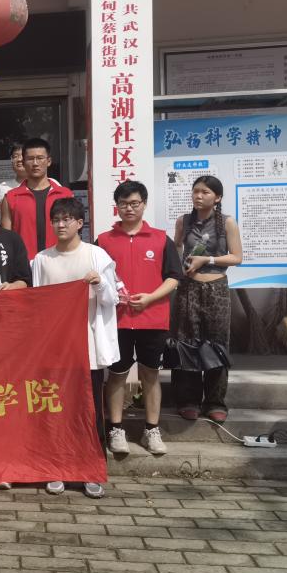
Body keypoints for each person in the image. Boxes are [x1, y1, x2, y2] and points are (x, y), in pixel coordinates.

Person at [32, 197, 119, 499]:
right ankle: (55, 467)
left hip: (88, 349)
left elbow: (112, 299)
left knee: (90, 411)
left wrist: (99, 283)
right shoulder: (42, 259)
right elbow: (37, 305)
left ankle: (91, 471)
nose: (61, 224)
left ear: (80, 223)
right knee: (56, 411)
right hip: (55, 350)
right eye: (56, 219)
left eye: (67, 219)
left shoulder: (96, 256)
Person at [97, 181, 184, 456]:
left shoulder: (160, 239)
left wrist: (150, 298)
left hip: (152, 319)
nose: (129, 208)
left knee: (150, 374)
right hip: (117, 321)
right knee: (116, 375)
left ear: (144, 204)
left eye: (134, 203)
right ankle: (115, 429)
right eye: (123, 204)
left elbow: (174, 277)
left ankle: (152, 430)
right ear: (117, 207)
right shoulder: (103, 241)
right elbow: (97, 278)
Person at [172, 175, 242, 423]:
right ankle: (188, 400)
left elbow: (236, 257)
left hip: (217, 289)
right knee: (186, 342)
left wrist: (207, 259)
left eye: (205, 192)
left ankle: (215, 401)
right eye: (196, 191)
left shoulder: (227, 222)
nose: (199, 196)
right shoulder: (184, 221)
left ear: (217, 197)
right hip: (188, 288)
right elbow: (177, 247)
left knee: (217, 344)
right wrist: (180, 267)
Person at [1, 137, 73, 258]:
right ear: (24, 162)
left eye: (40, 158)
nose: (35, 163)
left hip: (60, 260)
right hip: (24, 263)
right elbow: (6, 239)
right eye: (30, 159)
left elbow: (73, 232)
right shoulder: (11, 197)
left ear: (49, 161)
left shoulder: (65, 195)